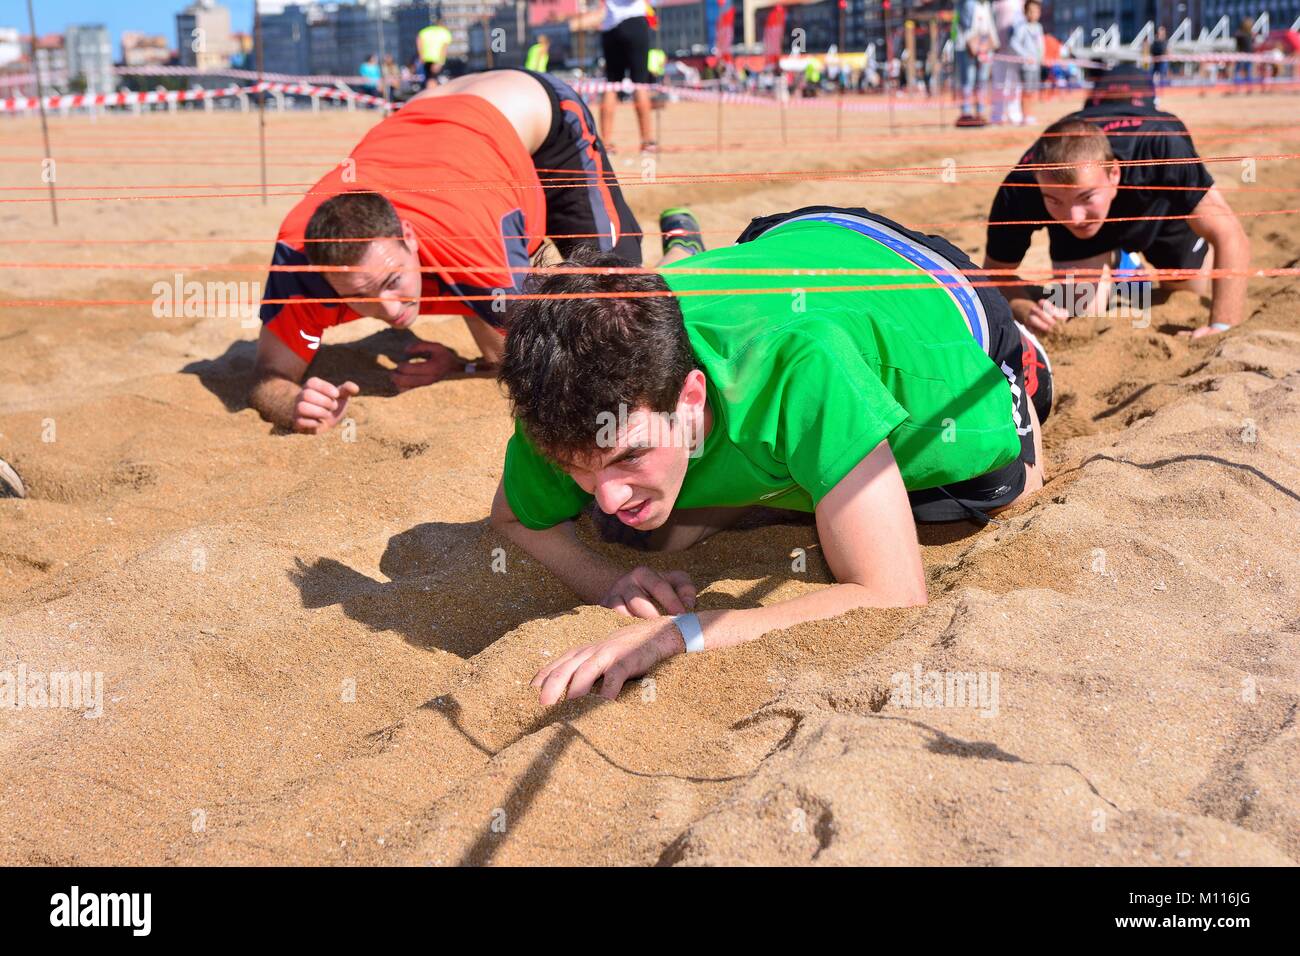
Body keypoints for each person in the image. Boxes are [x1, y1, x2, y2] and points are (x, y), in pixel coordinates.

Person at [491, 205, 1053, 705]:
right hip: (775, 246)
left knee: (1002, 491)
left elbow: (893, 594)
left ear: (690, 397)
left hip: (933, 290)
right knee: (653, 529)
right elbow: (512, 517)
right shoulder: (562, 397)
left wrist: (675, 634)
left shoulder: (802, 365)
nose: (606, 496)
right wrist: (604, 581)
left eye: (629, 456)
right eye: (578, 470)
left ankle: (1026, 359)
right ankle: (688, 256)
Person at [249, 69, 649, 435]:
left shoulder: (470, 240)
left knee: (622, 302)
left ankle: (683, 241)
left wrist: (466, 364)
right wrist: (294, 404)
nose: (391, 311)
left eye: (393, 281)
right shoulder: (301, 256)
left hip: (531, 114)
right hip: (438, 134)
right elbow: (269, 376)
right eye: (359, 297)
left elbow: (527, 364)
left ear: (407, 236)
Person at [981, 106, 1250, 338]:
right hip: (1083, 237)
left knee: (1187, 292)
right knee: (1080, 309)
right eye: (1053, 200)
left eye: (1086, 197)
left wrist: (1222, 326)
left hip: (1159, 211)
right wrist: (1024, 309)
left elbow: (1230, 234)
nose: (1073, 216)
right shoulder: (1022, 185)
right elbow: (994, 272)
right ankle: (1120, 263)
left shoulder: (1160, 145)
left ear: (1114, 174)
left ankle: (1126, 264)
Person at [569, 0, 656, 152]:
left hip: (610, 28)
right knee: (640, 84)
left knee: (611, 84)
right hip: (634, 23)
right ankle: (647, 141)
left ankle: (606, 142)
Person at [955, 0, 998, 125]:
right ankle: (966, 112)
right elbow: (964, 24)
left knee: (982, 80)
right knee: (968, 79)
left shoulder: (986, 5)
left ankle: (980, 111)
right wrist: (973, 44)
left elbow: (990, 25)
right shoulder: (966, 3)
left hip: (984, 47)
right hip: (966, 47)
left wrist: (993, 44)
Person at [1010, 0, 1044, 123]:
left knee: (1034, 91)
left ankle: (1031, 114)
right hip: (1026, 66)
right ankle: (1025, 115)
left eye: (1036, 11)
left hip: (1036, 66)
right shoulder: (1022, 27)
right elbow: (1014, 43)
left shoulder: (1039, 27)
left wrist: (1042, 57)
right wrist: (1025, 56)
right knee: (1027, 91)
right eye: (1030, 11)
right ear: (1025, 13)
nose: (1033, 14)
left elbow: (1040, 45)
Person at [417, 19, 453, 87]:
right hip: (437, 58)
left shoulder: (426, 30)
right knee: (433, 78)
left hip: (426, 58)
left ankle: (429, 93)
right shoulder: (445, 32)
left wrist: (421, 55)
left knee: (428, 78)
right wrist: (441, 61)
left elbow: (419, 39)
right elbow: (444, 48)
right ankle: (433, 95)